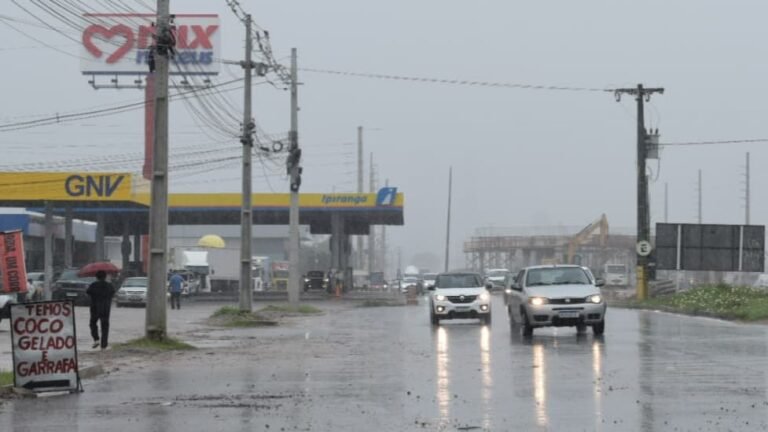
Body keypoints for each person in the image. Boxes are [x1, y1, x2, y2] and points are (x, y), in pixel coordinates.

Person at [86, 270, 116, 350]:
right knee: (105, 326)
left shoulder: (93, 285)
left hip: (95, 308)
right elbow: (113, 293)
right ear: (105, 276)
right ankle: (104, 345)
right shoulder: (109, 285)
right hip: (105, 308)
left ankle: (96, 339)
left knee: (92, 323)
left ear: (96, 277)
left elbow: (88, 292)